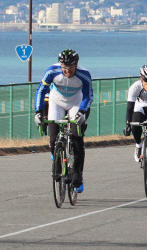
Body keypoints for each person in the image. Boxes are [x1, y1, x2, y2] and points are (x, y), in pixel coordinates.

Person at [34, 49, 92, 192]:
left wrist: (82, 112)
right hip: (56, 101)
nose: (67, 71)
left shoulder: (84, 75)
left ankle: (78, 174)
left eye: (71, 68)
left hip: (76, 103)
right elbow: (41, 91)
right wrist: (38, 112)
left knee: (77, 137)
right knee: (53, 139)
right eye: (64, 68)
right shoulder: (52, 71)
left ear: (76, 65)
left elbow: (88, 96)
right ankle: (58, 164)